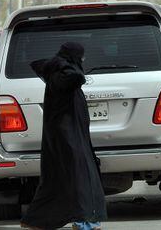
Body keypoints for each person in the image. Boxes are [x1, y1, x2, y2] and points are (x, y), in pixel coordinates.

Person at [21, 42, 107, 230]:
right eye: (81, 57)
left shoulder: (57, 73)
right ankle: (83, 220)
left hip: (69, 134)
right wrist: (62, 64)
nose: (83, 60)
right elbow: (78, 77)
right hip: (67, 136)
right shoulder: (62, 75)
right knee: (78, 177)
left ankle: (37, 221)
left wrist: (60, 63)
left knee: (60, 180)